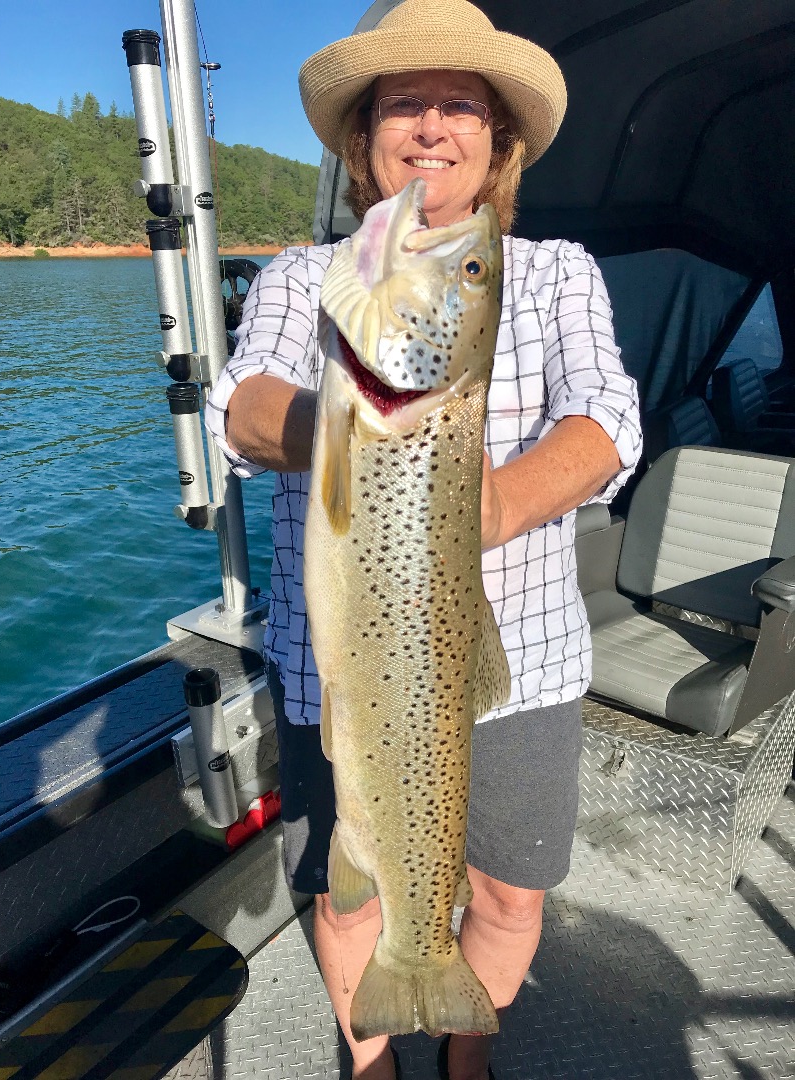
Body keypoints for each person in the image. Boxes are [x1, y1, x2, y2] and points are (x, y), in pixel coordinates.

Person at [205, 1, 643, 1077]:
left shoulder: (550, 272)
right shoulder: (302, 279)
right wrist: (358, 428)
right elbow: (242, 411)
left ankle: (463, 1054)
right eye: (405, 104)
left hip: (522, 659)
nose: (433, 126)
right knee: (351, 883)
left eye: (463, 106)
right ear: (364, 137)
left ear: (500, 144)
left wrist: (483, 509)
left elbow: (607, 423)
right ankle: (372, 1062)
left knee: (506, 890)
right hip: (338, 673)